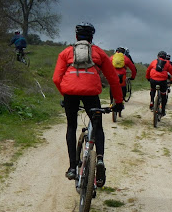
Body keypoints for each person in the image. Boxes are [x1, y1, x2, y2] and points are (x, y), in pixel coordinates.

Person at [52, 22, 124, 186]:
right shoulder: (99, 53)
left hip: (70, 93)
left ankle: (72, 167)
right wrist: (118, 102)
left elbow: (56, 78)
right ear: (92, 37)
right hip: (91, 93)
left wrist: (65, 93)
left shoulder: (66, 52)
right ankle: (99, 160)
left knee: (71, 126)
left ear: (76, 37)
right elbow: (113, 79)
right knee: (97, 127)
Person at [145, 50, 172, 115]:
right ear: (165, 57)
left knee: (153, 89)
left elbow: (148, 70)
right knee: (163, 94)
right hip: (162, 80)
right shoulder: (167, 63)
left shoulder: (154, 61)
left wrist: (148, 78)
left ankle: (151, 102)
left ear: (158, 56)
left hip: (153, 79)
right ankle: (163, 110)